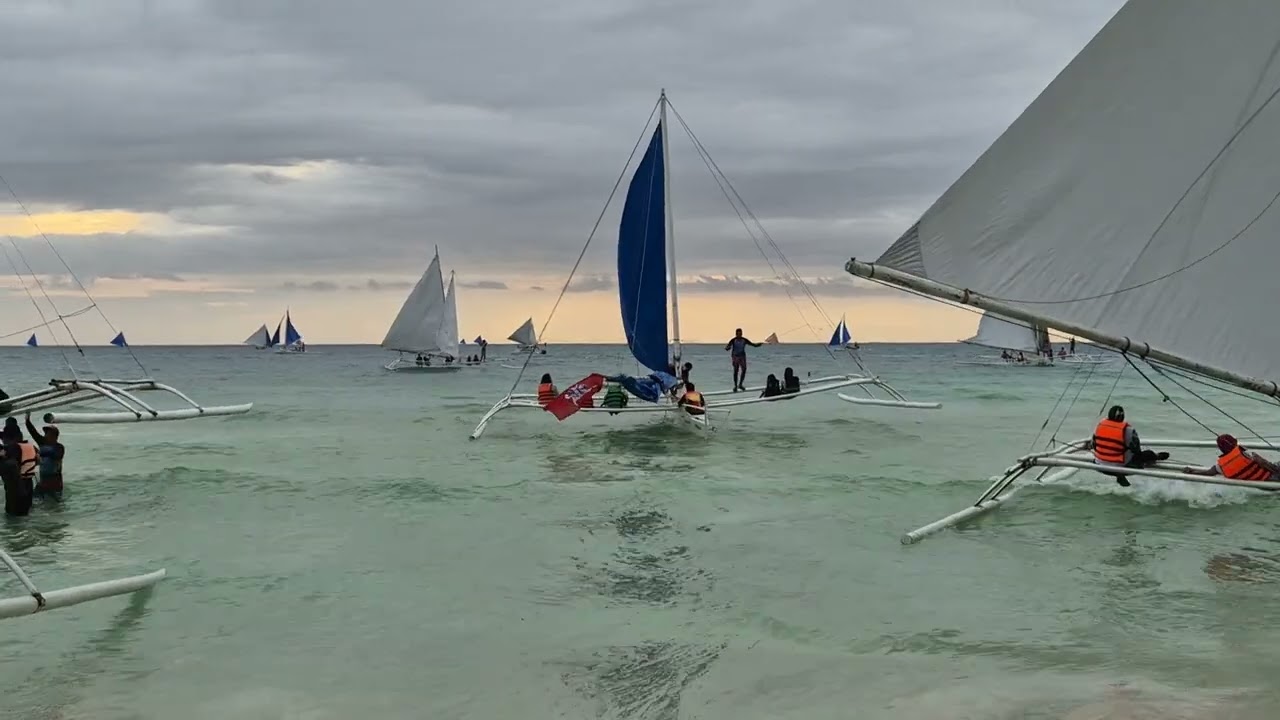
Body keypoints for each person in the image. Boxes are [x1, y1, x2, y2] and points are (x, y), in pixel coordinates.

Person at [1091, 405, 1170, 487]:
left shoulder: (1100, 426)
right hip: (1122, 467)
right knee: (1147, 454)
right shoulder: (1128, 430)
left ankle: (1119, 473)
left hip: (1099, 465)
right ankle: (1157, 456)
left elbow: (1093, 444)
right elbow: (1136, 449)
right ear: (1123, 416)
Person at [1184, 434, 1279, 482]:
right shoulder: (1246, 453)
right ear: (1235, 442)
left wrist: (1192, 471)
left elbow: (1208, 473)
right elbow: (1265, 464)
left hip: (1261, 484)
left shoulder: (1220, 466)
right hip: (1273, 477)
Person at [24, 415, 64, 500]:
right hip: (43, 480)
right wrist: (27, 420)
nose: (45, 435)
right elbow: (33, 432)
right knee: (34, 500)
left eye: (48, 433)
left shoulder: (59, 447)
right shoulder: (42, 443)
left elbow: (54, 454)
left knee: (56, 505)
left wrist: (37, 452)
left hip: (55, 481)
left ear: (55, 436)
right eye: (45, 433)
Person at [0, 422, 28, 516]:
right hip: (23, 494)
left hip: (14, 498)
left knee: (13, 522)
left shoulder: (6, 462)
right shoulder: (16, 451)